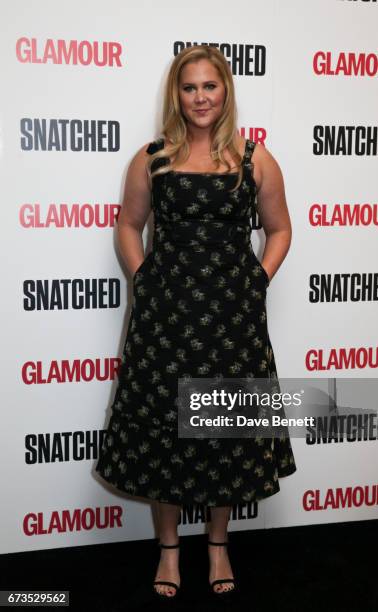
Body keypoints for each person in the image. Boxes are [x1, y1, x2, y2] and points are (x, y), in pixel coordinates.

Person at [95, 44, 296, 602]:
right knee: (164, 426)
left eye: (210, 86)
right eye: (190, 88)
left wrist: (257, 280)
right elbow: (129, 226)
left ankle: (217, 544)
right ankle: (167, 548)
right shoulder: (152, 158)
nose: (200, 97)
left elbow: (279, 229)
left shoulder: (255, 158)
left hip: (231, 320)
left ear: (225, 91)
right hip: (165, 318)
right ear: (176, 95)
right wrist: (145, 281)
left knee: (225, 428)